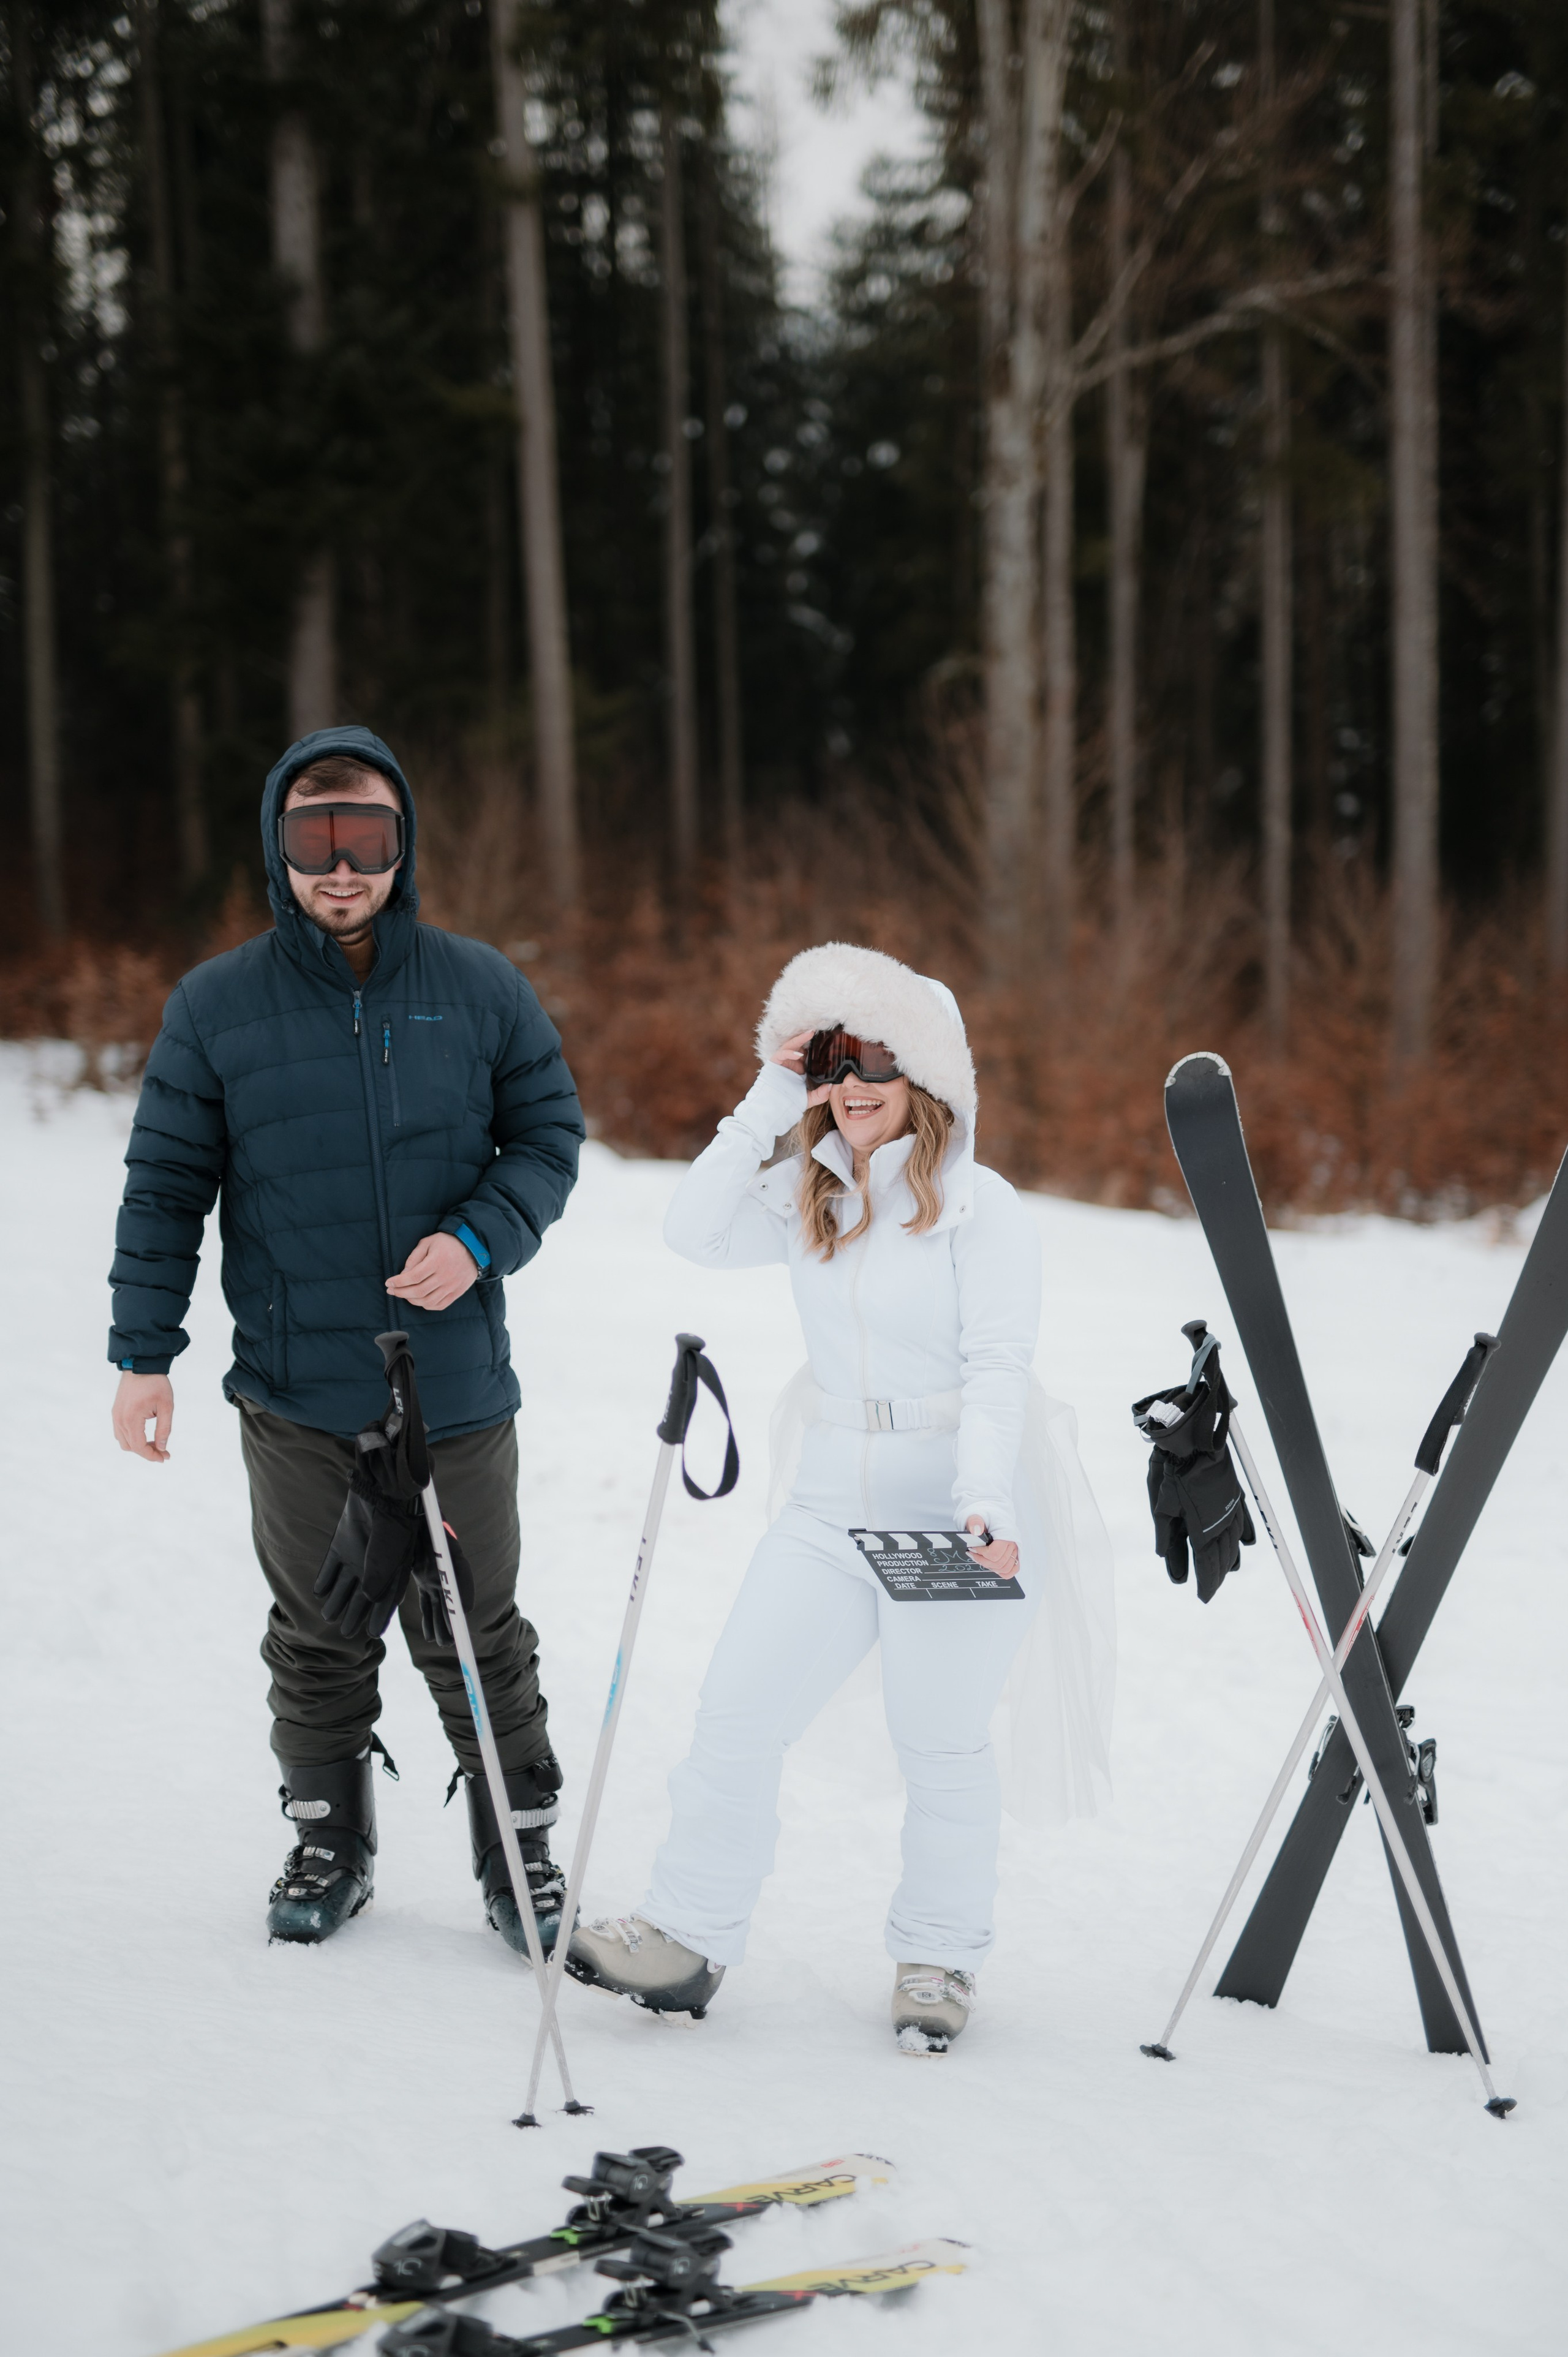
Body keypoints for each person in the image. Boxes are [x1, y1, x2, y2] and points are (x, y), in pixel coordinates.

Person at [566, 941, 1114, 2054]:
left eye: (875, 1057)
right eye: (831, 1060)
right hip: (828, 1503)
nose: (852, 1082)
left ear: (928, 1074)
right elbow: (691, 1230)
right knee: (736, 1712)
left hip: (957, 1509)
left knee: (940, 1743)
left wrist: (984, 1499)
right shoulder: (809, 1192)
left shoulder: (983, 1209)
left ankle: (939, 1957)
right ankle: (687, 1935)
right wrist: (772, 1098)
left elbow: (999, 1368)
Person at [108, 725, 584, 1950]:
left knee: (474, 1627)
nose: (340, 866)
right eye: (314, 838)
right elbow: (166, 1187)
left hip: (454, 1384)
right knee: (319, 1625)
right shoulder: (218, 1004)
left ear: (400, 844)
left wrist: (478, 1240)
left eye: (364, 838)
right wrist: (144, 1355)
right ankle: (332, 1837)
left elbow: (547, 1136)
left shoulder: (479, 987)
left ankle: (517, 1852)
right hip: (297, 1387)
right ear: (279, 847)